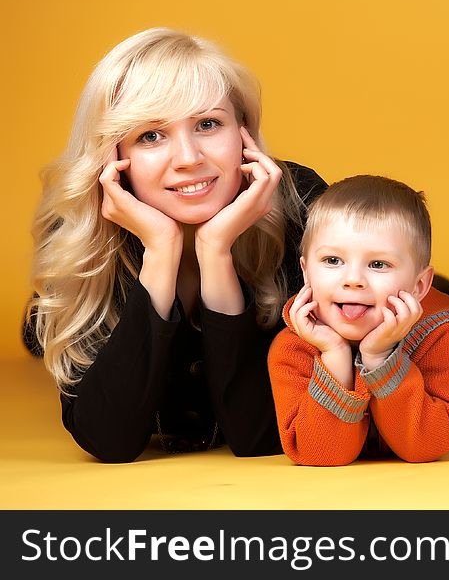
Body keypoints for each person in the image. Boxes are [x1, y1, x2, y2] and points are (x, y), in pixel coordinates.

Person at [23, 28, 327, 462]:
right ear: (111, 156)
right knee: (37, 328)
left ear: (244, 134)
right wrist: (162, 250)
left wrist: (216, 251)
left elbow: (261, 433)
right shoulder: (80, 236)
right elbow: (108, 439)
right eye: (150, 135)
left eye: (208, 124)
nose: (187, 158)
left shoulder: (302, 207)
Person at [268, 175, 449, 466]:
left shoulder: (443, 333)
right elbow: (320, 454)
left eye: (378, 264)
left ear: (419, 285)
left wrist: (379, 359)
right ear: (306, 273)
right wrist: (335, 356)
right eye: (332, 260)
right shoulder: (293, 347)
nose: (353, 280)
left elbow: (426, 447)